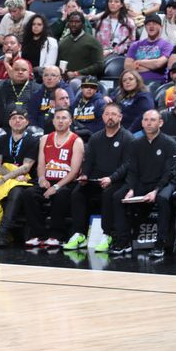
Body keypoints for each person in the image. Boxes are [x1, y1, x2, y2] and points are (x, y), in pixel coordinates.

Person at [64, 103, 132, 252]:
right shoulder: (95, 138)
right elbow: (88, 161)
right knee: (77, 193)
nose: (110, 117)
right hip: (96, 179)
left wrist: (111, 178)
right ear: (102, 117)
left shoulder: (127, 138)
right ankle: (79, 234)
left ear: (120, 117)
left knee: (108, 194)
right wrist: (85, 175)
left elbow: (127, 164)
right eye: (107, 114)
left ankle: (107, 234)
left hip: (117, 181)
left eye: (114, 114)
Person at [110, 109, 176, 257]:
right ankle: (123, 240)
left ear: (160, 122)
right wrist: (132, 189)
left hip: (164, 183)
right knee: (117, 196)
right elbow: (132, 170)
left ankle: (160, 243)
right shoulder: (136, 143)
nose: (148, 123)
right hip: (142, 182)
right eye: (146, 120)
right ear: (141, 123)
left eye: (152, 120)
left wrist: (156, 190)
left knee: (163, 199)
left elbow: (169, 172)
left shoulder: (169, 143)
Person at [22, 108, 85, 247]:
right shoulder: (45, 138)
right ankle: (38, 234)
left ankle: (57, 235)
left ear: (70, 121)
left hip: (66, 181)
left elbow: (74, 171)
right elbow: (41, 164)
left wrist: (56, 186)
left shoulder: (76, 141)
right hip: (48, 180)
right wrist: (41, 179)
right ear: (53, 120)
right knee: (29, 194)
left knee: (60, 194)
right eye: (57, 118)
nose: (60, 121)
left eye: (64, 118)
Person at [0, 109, 39, 248]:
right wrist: (9, 177)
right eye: (13, 118)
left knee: (16, 191)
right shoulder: (2, 139)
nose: (17, 121)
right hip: (7, 176)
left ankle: (2, 232)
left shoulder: (33, 140)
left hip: (24, 180)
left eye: (20, 118)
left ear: (27, 122)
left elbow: (26, 167)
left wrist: (5, 179)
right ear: (9, 122)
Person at [124, 15, 173, 84]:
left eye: (154, 24)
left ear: (161, 27)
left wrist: (138, 62)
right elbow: (128, 66)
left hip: (155, 83)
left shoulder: (167, 45)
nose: (151, 26)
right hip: (135, 82)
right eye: (148, 24)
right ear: (145, 27)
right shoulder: (135, 45)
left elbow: (158, 64)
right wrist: (152, 67)